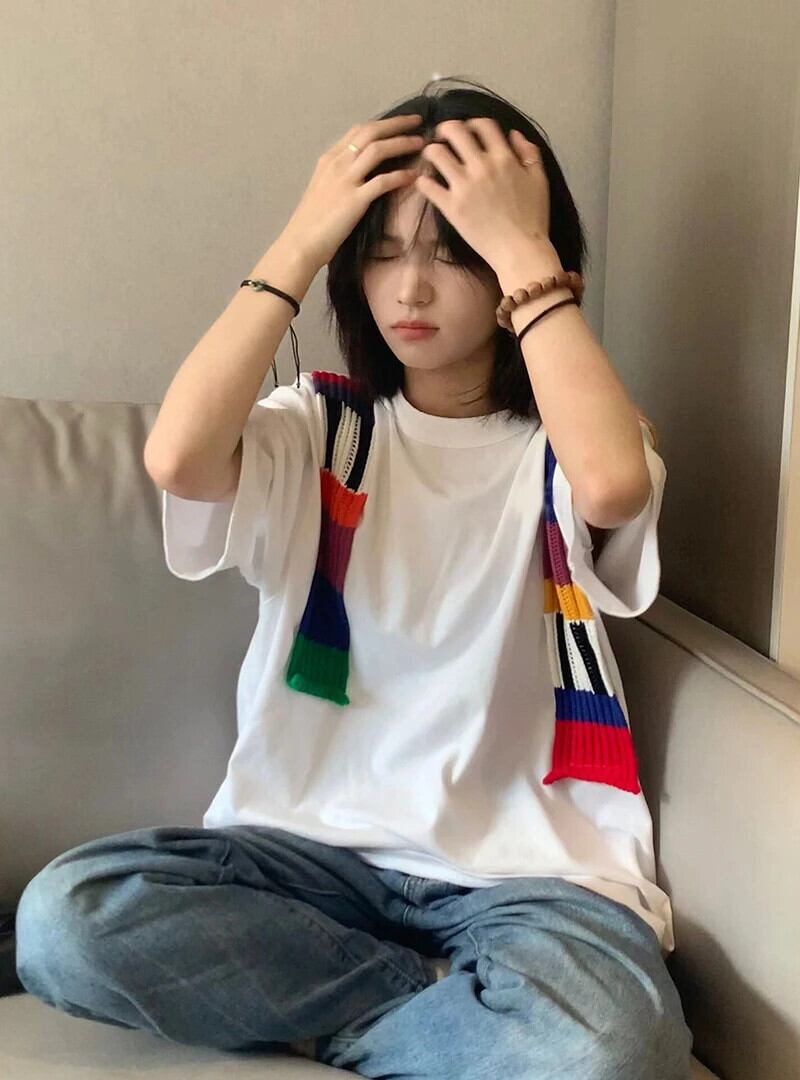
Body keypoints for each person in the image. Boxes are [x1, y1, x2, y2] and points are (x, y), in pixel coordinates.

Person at [15, 76, 693, 1078]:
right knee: (64, 920)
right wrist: (301, 238)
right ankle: (439, 1009)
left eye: (453, 252)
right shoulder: (321, 426)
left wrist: (521, 250)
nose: (408, 290)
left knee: (610, 1045)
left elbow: (610, 483)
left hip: (527, 880)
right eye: (380, 251)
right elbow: (178, 460)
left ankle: (339, 1018)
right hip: (307, 863)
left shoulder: (571, 444)